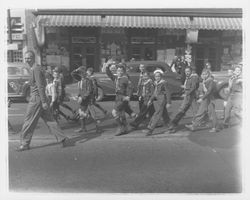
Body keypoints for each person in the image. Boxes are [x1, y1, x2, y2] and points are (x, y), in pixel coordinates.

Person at [17, 50, 69, 151]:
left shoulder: (35, 69)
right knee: (50, 120)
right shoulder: (35, 68)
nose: (27, 60)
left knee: (28, 121)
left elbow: (41, 86)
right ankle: (62, 139)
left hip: (36, 99)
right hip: (40, 99)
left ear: (33, 58)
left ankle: (24, 143)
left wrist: (44, 101)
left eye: (29, 58)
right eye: (26, 58)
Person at [166, 67, 200, 133]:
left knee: (182, 111)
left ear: (191, 71)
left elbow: (193, 87)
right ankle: (195, 124)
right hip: (189, 96)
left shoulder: (193, 77)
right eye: (186, 71)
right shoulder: (190, 77)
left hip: (189, 97)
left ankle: (173, 126)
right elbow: (191, 86)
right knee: (193, 111)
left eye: (188, 71)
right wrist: (184, 88)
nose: (187, 73)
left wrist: (187, 93)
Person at [71, 66, 101, 133]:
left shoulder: (88, 80)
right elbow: (72, 74)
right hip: (83, 100)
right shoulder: (80, 79)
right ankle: (83, 128)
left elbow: (89, 91)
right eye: (80, 73)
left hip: (88, 99)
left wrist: (83, 97)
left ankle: (98, 128)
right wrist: (76, 69)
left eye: (82, 73)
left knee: (93, 115)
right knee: (81, 113)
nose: (81, 74)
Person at [106, 61, 132, 136]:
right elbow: (109, 74)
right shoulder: (116, 78)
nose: (119, 72)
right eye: (118, 70)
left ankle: (120, 127)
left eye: (121, 71)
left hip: (123, 98)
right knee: (121, 113)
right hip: (117, 97)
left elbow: (131, 87)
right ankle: (126, 127)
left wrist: (128, 96)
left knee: (114, 112)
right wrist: (108, 66)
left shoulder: (125, 78)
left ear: (123, 71)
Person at [144, 69, 171, 136]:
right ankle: (171, 127)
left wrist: (168, 102)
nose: (157, 78)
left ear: (161, 76)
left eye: (159, 76)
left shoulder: (164, 83)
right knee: (164, 114)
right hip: (158, 99)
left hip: (162, 99)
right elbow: (154, 93)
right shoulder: (156, 83)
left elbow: (168, 92)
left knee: (157, 113)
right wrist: (151, 100)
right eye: (156, 76)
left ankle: (150, 129)